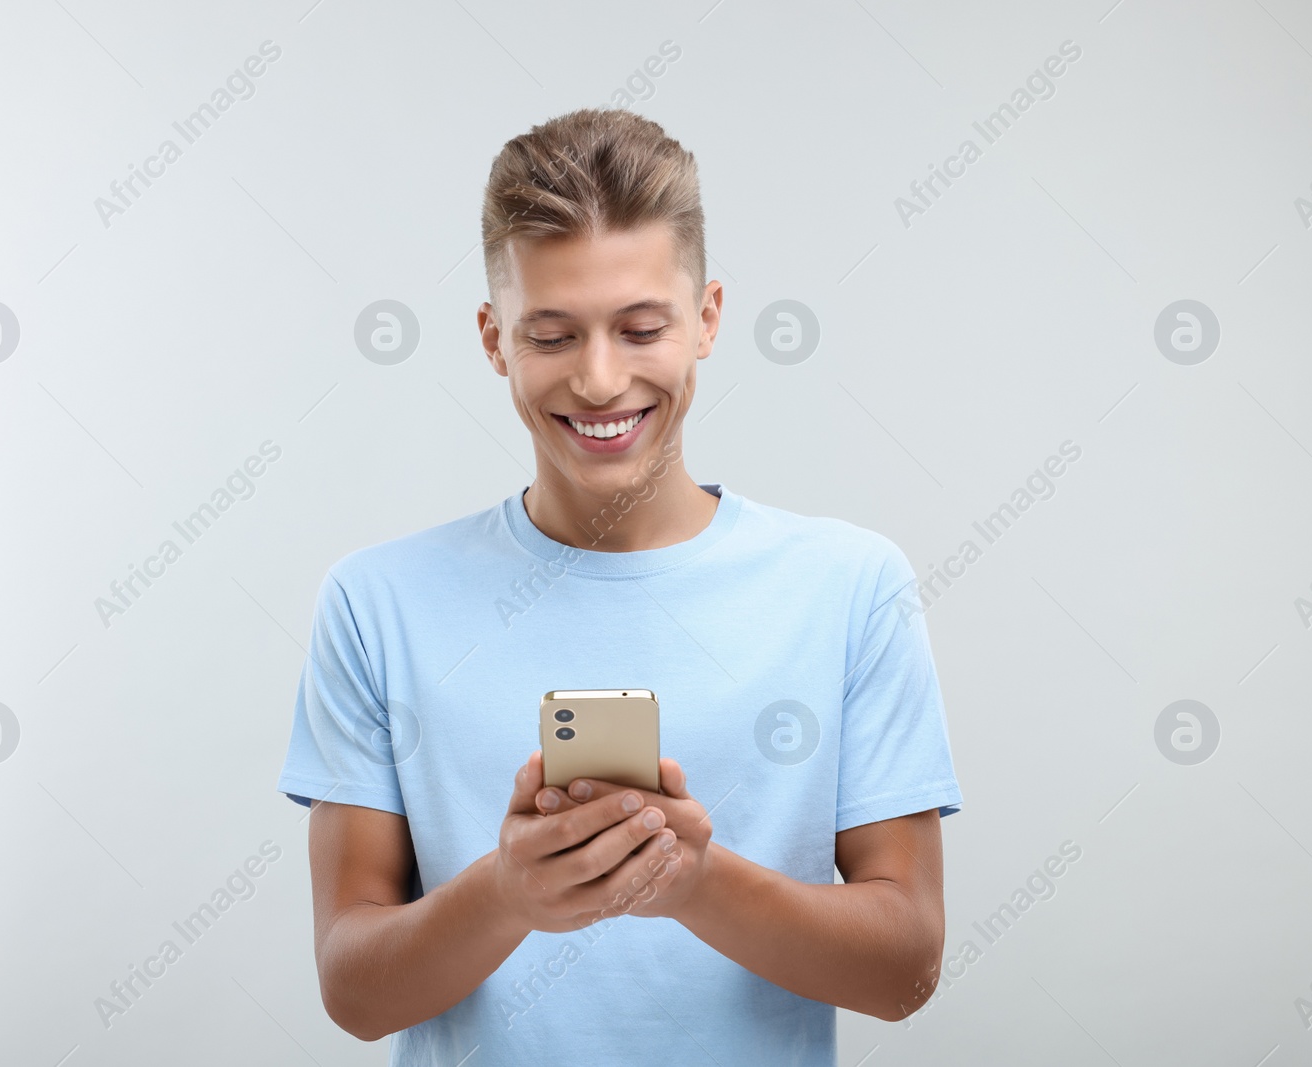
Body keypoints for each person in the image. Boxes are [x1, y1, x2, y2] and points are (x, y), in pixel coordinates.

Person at [277, 106, 962, 1065]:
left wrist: (694, 882)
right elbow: (354, 989)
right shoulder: (375, 603)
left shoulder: (852, 587)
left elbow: (906, 970)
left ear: (709, 319)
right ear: (492, 338)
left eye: (642, 328)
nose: (601, 381)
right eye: (552, 336)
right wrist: (507, 896)